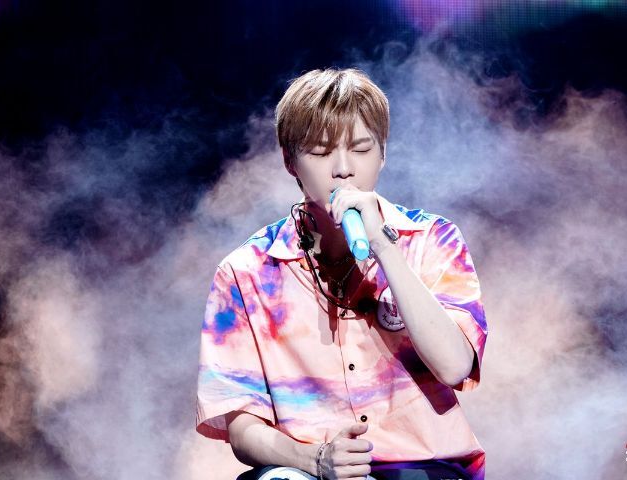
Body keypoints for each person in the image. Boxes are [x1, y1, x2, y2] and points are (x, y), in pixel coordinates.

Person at [196, 68, 488, 480]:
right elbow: (242, 428)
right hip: (309, 471)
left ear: (382, 154)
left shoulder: (432, 240)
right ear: (290, 162)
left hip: (425, 468)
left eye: (361, 149)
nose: (344, 169)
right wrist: (315, 459)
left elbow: (454, 366)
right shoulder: (246, 272)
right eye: (320, 152)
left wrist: (383, 246)